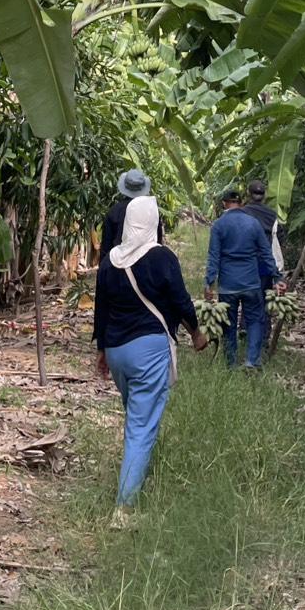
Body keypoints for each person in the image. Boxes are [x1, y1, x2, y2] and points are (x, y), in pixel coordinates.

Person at [94, 196, 207, 520]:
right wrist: (196, 332)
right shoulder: (161, 257)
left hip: (117, 351)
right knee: (141, 426)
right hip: (149, 350)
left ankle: (139, 469)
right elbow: (181, 301)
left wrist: (101, 351)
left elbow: (101, 309)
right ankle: (124, 507)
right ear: (153, 222)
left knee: (135, 416)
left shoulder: (110, 260)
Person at [204, 190, 281, 370]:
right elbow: (266, 253)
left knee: (228, 323)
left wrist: (209, 282)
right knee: (255, 320)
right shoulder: (253, 223)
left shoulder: (219, 225)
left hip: (228, 284)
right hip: (251, 282)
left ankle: (231, 363)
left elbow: (214, 257)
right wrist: (277, 277)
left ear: (224, 203)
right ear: (241, 203)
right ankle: (252, 361)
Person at [241, 178, 286, 341]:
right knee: (264, 299)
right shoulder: (272, 215)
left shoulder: (242, 213)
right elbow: (278, 238)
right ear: (264, 195)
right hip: (265, 264)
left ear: (248, 194)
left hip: (246, 263)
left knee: (248, 296)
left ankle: (245, 327)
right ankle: (264, 334)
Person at [98, 169, 165, 264]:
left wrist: (103, 267)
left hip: (119, 263)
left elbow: (106, 246)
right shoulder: (151, 211)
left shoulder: (114, 211)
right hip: (147, 261)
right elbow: (157, 240)